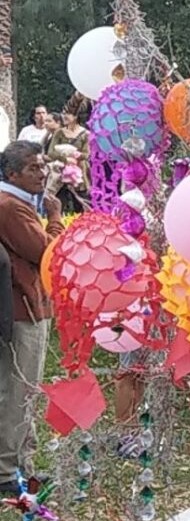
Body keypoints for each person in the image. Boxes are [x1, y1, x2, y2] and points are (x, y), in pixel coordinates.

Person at [0, 141, 64, 496]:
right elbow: (48, 254)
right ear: (12, 174)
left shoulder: (15, 203)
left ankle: (23, 463)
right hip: (23, 309)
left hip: (26, 305)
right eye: (33, 169)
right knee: (19, 390)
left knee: (24, 388)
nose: (43, 174)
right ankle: (7, 470)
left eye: (44, 167)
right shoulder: (11, 208)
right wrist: (55, 218)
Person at [46, 98, 91, 214]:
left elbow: (87, 154)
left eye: (68, 114)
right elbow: (51, 153)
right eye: (64, 113)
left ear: (76, 116)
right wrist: (65, 158)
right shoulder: (59, 132)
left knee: (81, 204)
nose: (64, 116)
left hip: (79, 174)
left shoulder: (85, 134)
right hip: (60, 172)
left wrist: (76, 155)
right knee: (58, 202)